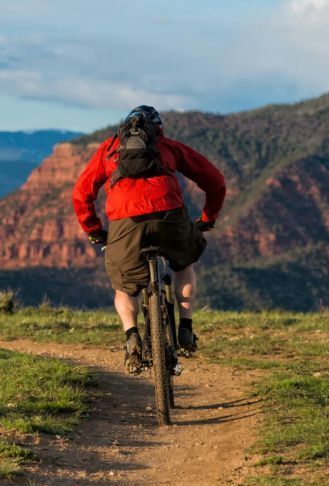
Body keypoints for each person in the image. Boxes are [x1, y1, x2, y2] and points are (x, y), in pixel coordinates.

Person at [72, 105, 226, 373]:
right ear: (158, 130)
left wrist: (94, 228)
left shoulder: (109, 150)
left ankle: (131, 337)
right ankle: (186, 328)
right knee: (184, 264)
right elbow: (215, 181)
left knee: (124, 286)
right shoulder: (168, 147)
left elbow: (81, 193)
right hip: (170, 218)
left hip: (125, 223)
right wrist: (207, 217)